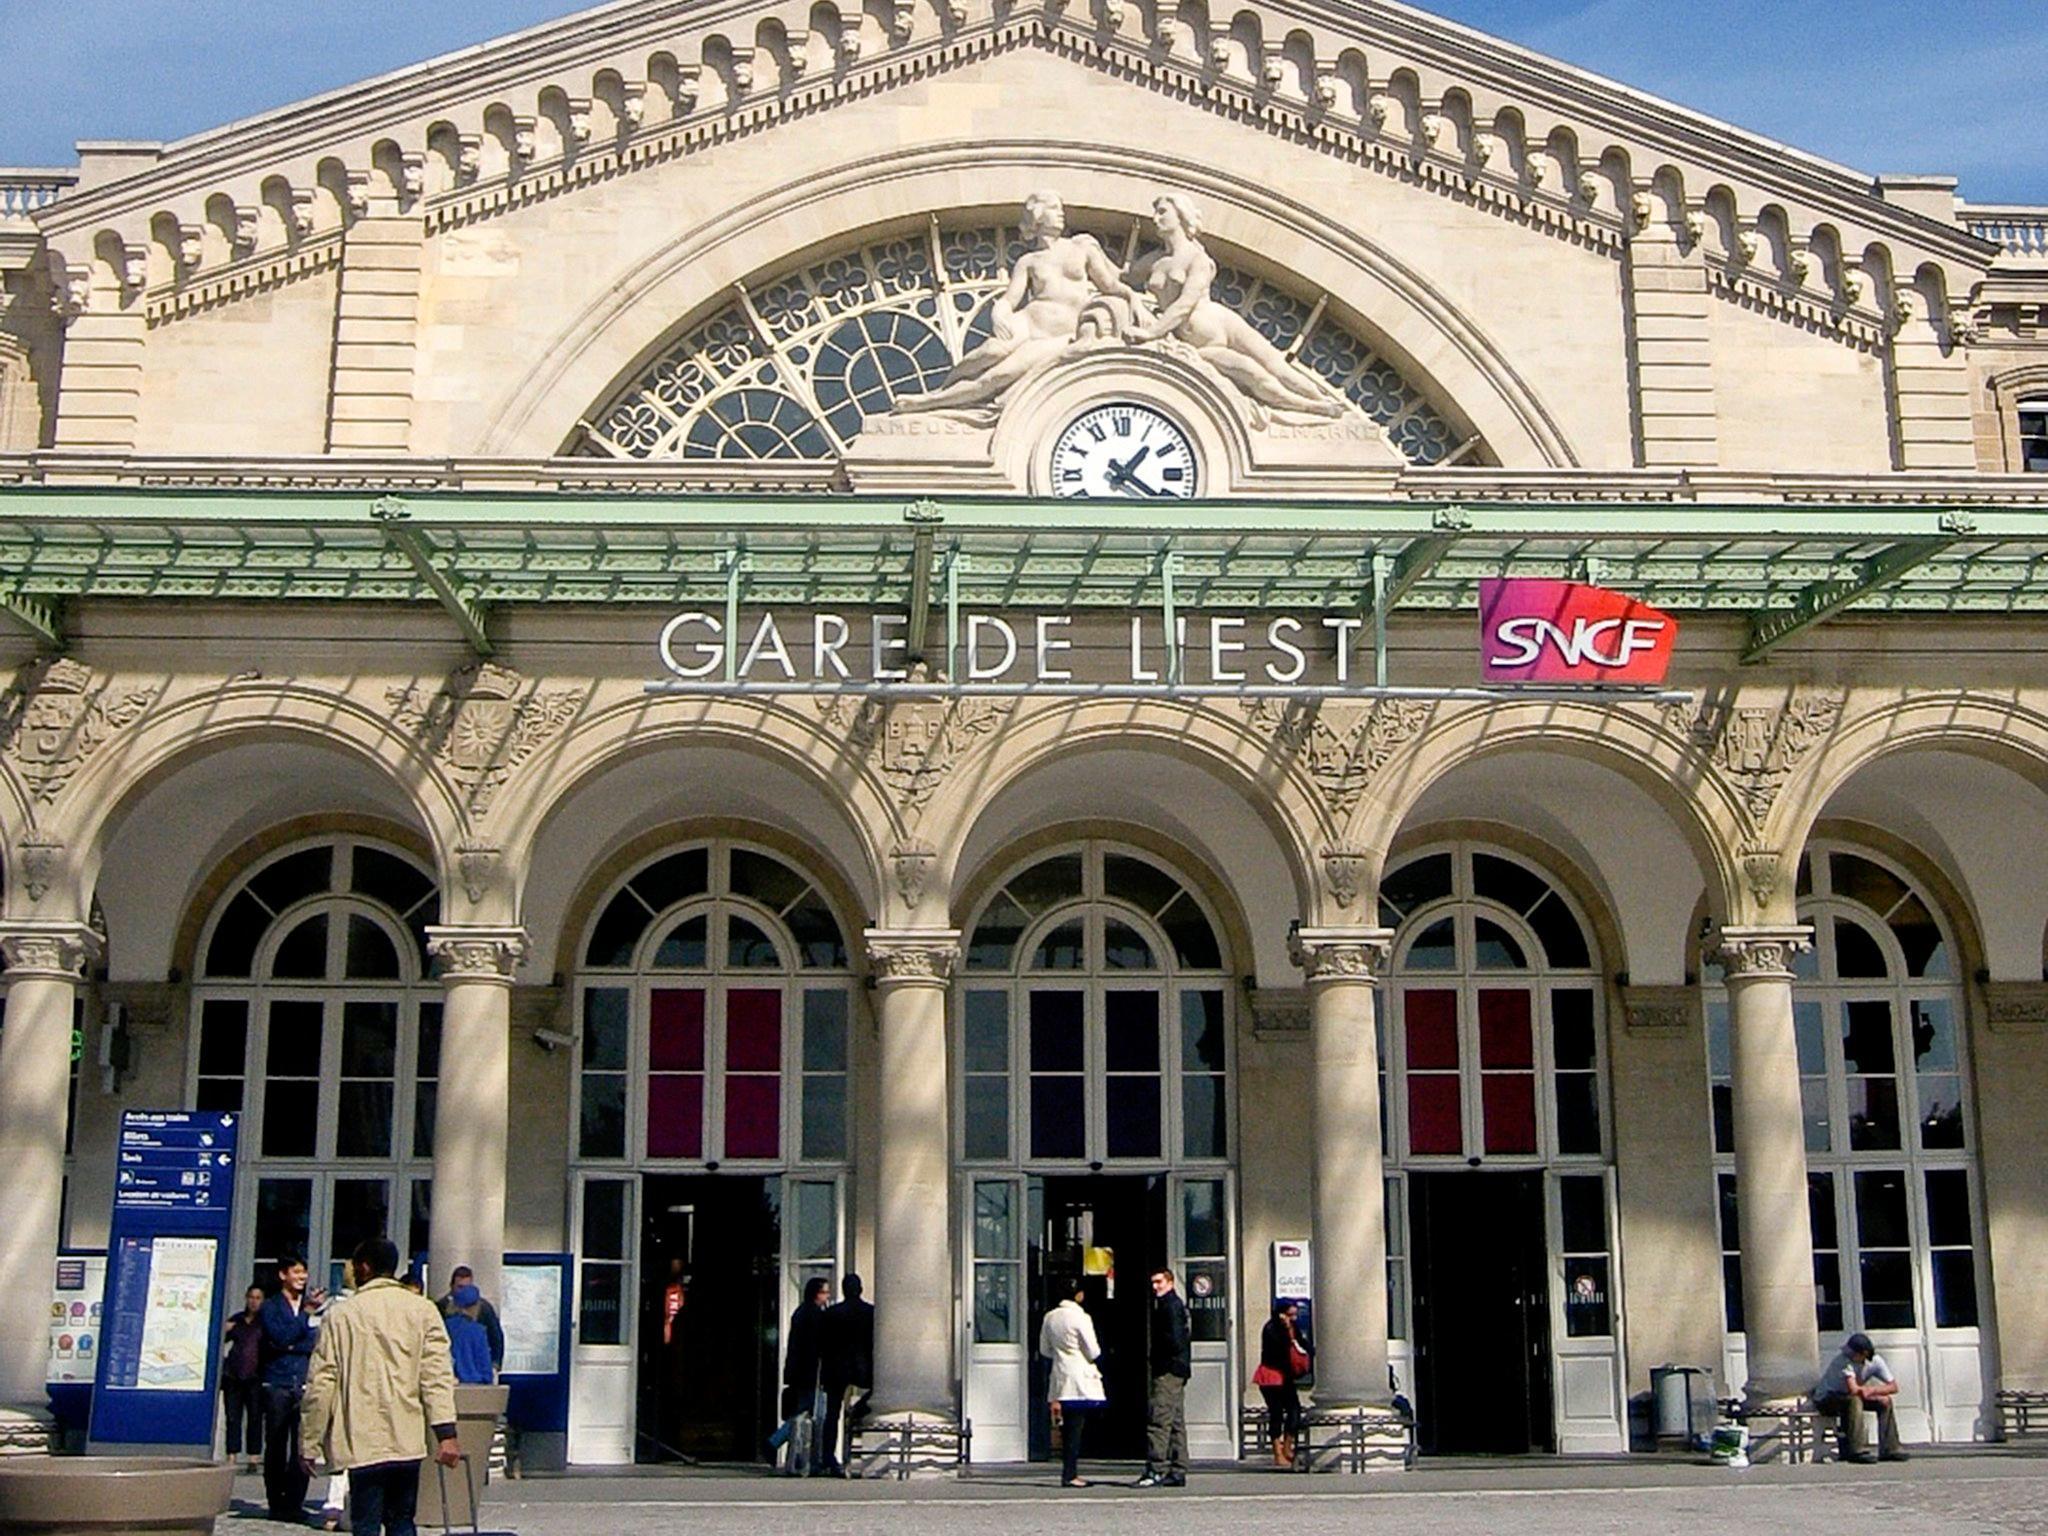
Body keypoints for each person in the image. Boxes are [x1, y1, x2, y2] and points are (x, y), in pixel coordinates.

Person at [301, 1237, 460, 1536]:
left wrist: (310, 1442)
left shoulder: (340, 1315)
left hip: (361, 1437)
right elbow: (436, 1376)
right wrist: (446, 1433)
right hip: (406, 1436)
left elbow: (321, 1384)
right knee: (402, 1519)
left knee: (365, 1521)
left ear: (364, 1267)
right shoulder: (423, 1311)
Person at [259, 1254, 327, 1523]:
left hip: (304, 1382)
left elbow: (313, 1342)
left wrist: (296, 1337)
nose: (302, 1277)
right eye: (297, 1272)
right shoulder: (271, 1306)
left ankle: (295, 1502)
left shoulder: (311, 1308)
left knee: (303, 1445)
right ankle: (277, 1502)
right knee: (276, 1444)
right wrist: (304, 1319)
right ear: (283, 1275)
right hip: (277, 1382)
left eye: (304, 1272)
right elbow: (280, 1337)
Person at [1038, 1279, 1106, 1488]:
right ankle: (1070, 1473)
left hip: (1060, 1374)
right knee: (1077, 1426)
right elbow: (1093, 1351)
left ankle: (1068, 1470)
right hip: (1080, 1376)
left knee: (1067, 1426)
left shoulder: (1050, 1317)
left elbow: (1044, 1350)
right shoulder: (1080, 1317)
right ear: (1079, 1295)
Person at [1812, 1332, 1908, 1464]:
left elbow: (1893, 1387)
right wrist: (1868, 1392)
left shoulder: (1876, 1362)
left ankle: (1890, 1448)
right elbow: (1853, 1389)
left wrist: (1873, 1391)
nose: (1849, 1355)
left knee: (1885, 1402)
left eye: (1853, 1353)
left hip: (1849, 1397)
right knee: (1854, 1400)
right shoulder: (1843, 1361)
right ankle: (1856, 1449)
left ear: (1864, 1354)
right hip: (1827, 1399)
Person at [766, 1277, 830, 1472]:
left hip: (798, 1371)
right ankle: (777, 1443)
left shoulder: (801, 1313)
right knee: (807, 1412)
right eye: (825, 1292)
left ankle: (783, 1447)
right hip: (810, 1373)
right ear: (816, 1294)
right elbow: (815, 1347)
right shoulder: (814, 1315)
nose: (827, 1296)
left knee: (803, 1411)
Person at [1135, 1266, 1191, 1489]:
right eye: (1153, 1283)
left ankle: (1155, 1468)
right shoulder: (1174, 1305)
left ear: (1170, 1282)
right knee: (1176, 1420)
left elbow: (1175, 1340)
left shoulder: (1169, 1307)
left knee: (1160, 1418)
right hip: (1177, 1369)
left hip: (1168, 1369)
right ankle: (1178, 1468)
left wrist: (1161, 1359)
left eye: (1159, 1282)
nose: (1155, 1287)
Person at [817, 1273, 874, 1478]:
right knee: (877, 1391)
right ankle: (856, 1413)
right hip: (861, 1367)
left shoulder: (832, 1313)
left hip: (837, 1368)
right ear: (860, 1289)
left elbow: (822, 1344)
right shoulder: (870, 1312)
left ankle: (828, 1456)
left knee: (832, 1414)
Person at [1254, 1300, 1310, 1468]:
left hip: (1286, 1376)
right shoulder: (1271, 1328)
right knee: (1276, 1412)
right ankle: (1278, 1452)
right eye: (1289, 1315)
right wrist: (1286, 1332)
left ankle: (1288, 1446)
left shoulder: (1293, 1328)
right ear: (1281, 1313)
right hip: (1271, 1376)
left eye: (1294, 1315)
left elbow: (1302, 1343)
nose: (1292, 1318)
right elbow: (1277, 1350)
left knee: (1294, 1410)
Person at [221, 1285, 268, 1472]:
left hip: (255, 1376)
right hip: (233, 1375)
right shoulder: (237, 1320)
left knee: (255, 1417)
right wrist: (225, 1330)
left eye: (258, 1298)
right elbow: (221, 1339)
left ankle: (253, 1457)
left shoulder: (264, 1322)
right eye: (251, 1297)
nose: (253, 1301)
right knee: (233, 1417)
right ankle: (231, 1455)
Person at [437, 1266, 505, 1377]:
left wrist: (495, 1365)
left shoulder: (485, 1309)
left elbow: (496, 1337)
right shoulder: (441, 1307)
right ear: (451, 1286)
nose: (464, 1292)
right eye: (460, 1287)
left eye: (467, 1287)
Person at [445, 1285, 496, 1386]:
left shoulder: (445, 1326)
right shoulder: (478, 1331)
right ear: (476, 1306)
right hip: (475, 1387)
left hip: (450, 1385)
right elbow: (484, 1365)